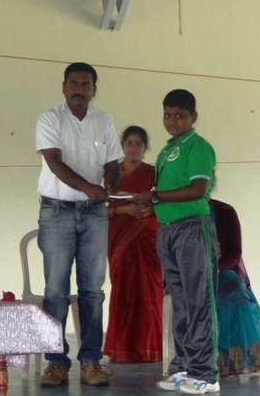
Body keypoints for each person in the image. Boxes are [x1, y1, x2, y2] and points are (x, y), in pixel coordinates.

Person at [35, 62, 122, 387]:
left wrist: (111, 184)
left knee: (92, 292)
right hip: (56, 212)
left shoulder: (104, 121)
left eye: (85, 84)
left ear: (94, 90)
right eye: (73, 83)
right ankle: (56, 362)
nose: (78, 89)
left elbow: (112, 164)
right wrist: (90, 188)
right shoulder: (49, 118)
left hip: (94, 214)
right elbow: (54, 162)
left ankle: (91, 362)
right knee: (56, 291)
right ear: (63, 87)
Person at [131, 89, 220, 394]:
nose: (172, 121)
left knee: (198, 301)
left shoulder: (198, 146)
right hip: (167, 230)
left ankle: (206, 374)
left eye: (180, 116)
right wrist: (151, 206)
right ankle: (183, 366)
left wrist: (155, 197)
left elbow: (198, 190)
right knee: (179, 302)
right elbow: (165, 193)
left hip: (193, 229)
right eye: (168, 115)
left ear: (193, 117)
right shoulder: (168, 149)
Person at [103, 126, 163, 363]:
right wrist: (124, 210)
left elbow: (164, 201)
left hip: (148, 236)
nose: (134, 148)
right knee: (123, 289)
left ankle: (150, 347)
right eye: (129, 142)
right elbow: (98, 208)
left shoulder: (154, 174)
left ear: (145, 148)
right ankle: (122, 347)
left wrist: (150, 211)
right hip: (119, 235)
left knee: (149, 289)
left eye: (139, 143)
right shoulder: (110, 173)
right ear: (122, 146)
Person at [209, 198, 260, 378]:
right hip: (190, 274)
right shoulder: (180, 212)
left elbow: (235, 254)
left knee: (231, 291)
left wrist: (213, 269)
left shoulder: (225, 212)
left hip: (221, 271)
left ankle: (230, 361)